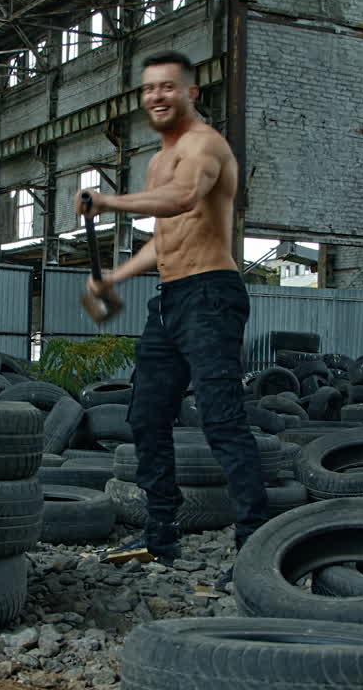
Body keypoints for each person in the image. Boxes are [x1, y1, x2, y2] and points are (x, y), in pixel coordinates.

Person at [75, 51, 267, 583]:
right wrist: (113, 278)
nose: (157, 96)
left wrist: (109, 203)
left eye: (168, 87)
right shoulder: (157, 163)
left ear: (191, 93)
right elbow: (165, 241)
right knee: (145, 415)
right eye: (149, 89)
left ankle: (256, 542)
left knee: (222, 418)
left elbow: (184, 201)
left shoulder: (205, 145)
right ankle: (161, 533)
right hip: (171, 299)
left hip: (211, 294)